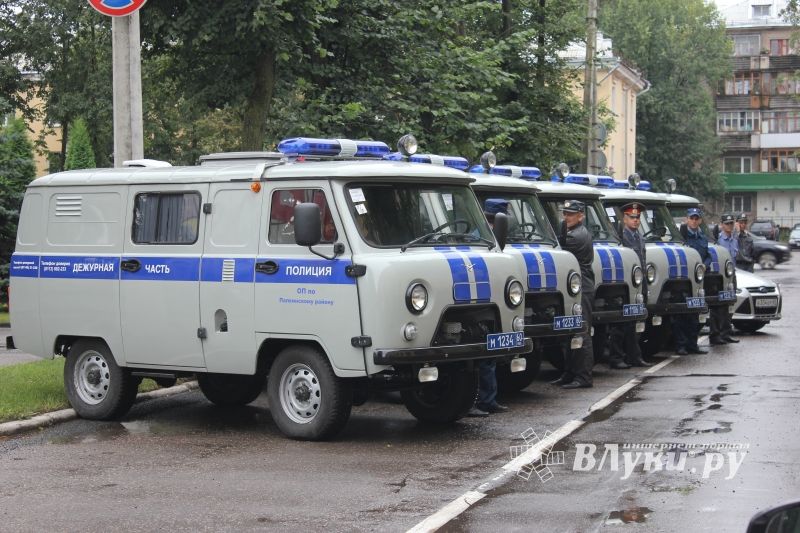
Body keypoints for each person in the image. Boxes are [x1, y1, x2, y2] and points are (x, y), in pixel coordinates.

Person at [468, 199, 510, 417]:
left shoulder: (488, 236)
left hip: (487, 303)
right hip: (474, 303)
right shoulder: (480, 238)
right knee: (474, 357)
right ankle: (475, 401)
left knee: (488, 356)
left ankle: (488, 400)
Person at [550, 199, 594, 389]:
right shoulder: (574, 233)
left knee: (581, 331)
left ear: (580, 216)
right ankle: (569, 373)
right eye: (565, 213)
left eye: (571, 214)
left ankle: (583, 376)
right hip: (576, 285)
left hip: (581, 286)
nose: (566, 217)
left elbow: (558, 250)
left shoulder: (576, 236)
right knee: (570, 331)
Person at [608, 202, 651, 367]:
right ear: (624, 219)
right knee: (620, 324)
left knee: (636, 322)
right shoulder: (621, 237)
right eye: (632, 217)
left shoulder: (639, 236)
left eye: (637, 217)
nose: (635, 220)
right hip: (626, 285)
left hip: (639, 284)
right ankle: (617, 358)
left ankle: (634, 356)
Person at [673, 208, 709, 356]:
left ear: (699, 220)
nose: (694, 221)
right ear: (687, 219)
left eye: (696, 219)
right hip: (684, 280)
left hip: (698, 281)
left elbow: (707, 255)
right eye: (691, 218)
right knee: (681, 315)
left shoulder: (702, 237)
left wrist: (705, 264)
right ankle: (681, 345)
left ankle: (692, 344)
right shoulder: (680, 236)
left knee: (695, 315)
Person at [711, 213, 740, 345]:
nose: (729, 226)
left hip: (731, 275)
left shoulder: (734, 239)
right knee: (717, 306)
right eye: (727, 224)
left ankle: (726, 333)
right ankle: (715, 334)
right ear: (722, 225)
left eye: (731, 223)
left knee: (729, 305)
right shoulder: (718, 240)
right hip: (720, 277)